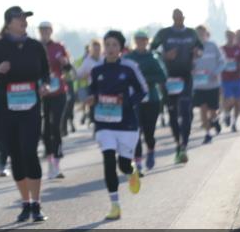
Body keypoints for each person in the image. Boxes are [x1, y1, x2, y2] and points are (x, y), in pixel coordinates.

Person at [0, 6, 51, 222]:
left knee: (30, 151)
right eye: (20, 18)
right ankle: (25, 202)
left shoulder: (36, 46)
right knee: (16, 154)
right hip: (5, 107)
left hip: (30, 106)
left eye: (26, 18)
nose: (24, 21)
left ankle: (36, 203)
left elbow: (46, 72)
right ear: (9, 22)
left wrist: (46, 85)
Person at [86, 31, 148, 220]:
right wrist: (91, 98)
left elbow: (142, 90)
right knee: (108, 160)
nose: (111, 48)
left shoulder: (129, 67)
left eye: (114, 45)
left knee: (122, 165)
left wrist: (127, 102)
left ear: (121, 48)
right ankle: (115, 204)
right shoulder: (97, 70)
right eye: (108, 44)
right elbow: (91, 91)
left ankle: (132, 171)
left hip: (127, 123)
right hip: (104, 123)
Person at [150, 9, 203, 163]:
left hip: (186, 76)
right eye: (176, 17)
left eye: (181, 17)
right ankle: (178, 143)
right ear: (172, 18)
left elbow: (200, 48)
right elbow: (152, 49)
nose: (178, 19)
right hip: (170, 77)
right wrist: (164, 56)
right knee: (173, 114)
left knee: (186, 111)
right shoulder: (164, 33)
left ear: (184, 18)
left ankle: (183, 145)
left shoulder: (192, 33)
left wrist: (197, 52)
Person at [124, 31, 167, 171]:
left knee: (149, 132)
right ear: (135, 41)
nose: (141, 42)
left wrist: (145, 80)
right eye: (138, 40)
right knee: (136, 130)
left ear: (147, 41)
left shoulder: (153, 57)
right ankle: (138, 161)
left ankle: (150, 151)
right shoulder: (129, 57)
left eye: (143, 40)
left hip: (152, 99)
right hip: (135, 100)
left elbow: (162, 76)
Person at [37, 21, 71, 179]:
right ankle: (50, 158)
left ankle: (57, 161)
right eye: (42, 30)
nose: (44, 32)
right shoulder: (34, 47)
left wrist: (65, 63)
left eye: (47, 30)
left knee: (55, 125)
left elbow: (68, 68)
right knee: (45, 129)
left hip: (58, 92)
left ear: (51, 31)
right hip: (41, 94)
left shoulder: (58, 47)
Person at [192, 25, 224, 144]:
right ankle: (207, 134)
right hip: (199, 85)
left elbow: (222, 61)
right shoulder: (192, 48)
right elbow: (188, 64)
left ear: (206, 33)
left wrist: (216, 72)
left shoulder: (212, 45)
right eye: (198, 33)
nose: (200, 35)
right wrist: (192, 69)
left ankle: (215, 120)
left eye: (202, 32)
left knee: (213, 110)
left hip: (213, 84)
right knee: (203, 109)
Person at [221, 30, 240, 132]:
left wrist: (239, 63)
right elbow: (218, 61)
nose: (230, 38)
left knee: (238, 103)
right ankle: (226, 114)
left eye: (232, 36)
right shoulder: (222, 49)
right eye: (228, 36)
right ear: (226, 37)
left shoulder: (239, 48)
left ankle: (234, 123)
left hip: (237, 78)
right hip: (226, 78)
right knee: (230, 100)